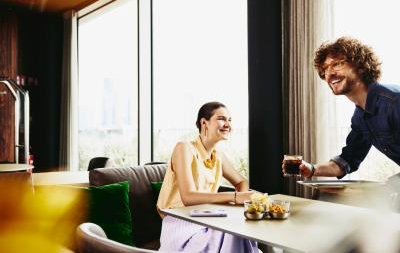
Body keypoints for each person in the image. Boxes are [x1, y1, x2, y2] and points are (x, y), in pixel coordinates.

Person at [283, 37, 400, 179]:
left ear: (361, 67)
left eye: (337, 64)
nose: (329, 74)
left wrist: (394, 184)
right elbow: (347, 161)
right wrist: (311, 169)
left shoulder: (394, 102)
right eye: (325, 69)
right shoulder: (360, 118)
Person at [157, 101, 258, 252]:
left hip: (207, 218)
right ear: (204, 123)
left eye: (230, 120)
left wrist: (240, 203)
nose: (228, 125)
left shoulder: (218, 156)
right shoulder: (184, 148)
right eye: (222, 119)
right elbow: (188, 197)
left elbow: (241, 181)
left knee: (238, 230)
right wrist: (235, 197)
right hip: (179, 223)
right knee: (234, 232)